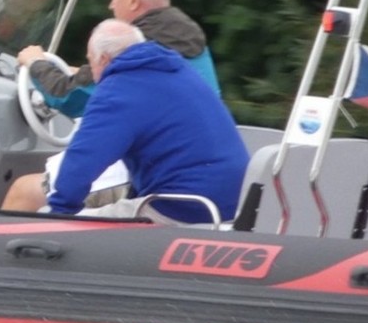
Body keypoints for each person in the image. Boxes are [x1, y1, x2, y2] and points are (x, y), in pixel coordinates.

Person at [1, 0, 220, 211]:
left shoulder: (136, 51)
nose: (110, 5)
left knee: (24, 191)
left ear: (133, 0)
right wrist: (75, 71)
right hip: (190, 164)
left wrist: (35, 63)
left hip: (153, 172)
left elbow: (67, 96)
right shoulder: (184, 37)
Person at [43, 19, 247, 223]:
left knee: (45, 215)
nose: (93, 75)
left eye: (91, 62)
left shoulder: (118, 90)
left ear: (104, 60)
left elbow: (84, 159)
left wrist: (59, 210)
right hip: (235, 206)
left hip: (183, 209)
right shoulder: (180, 71)